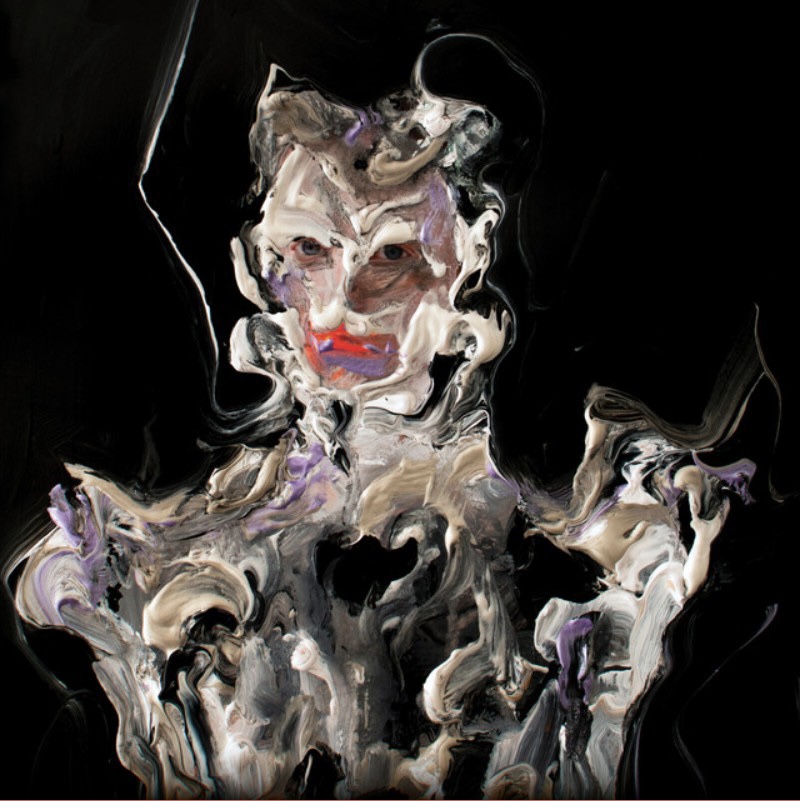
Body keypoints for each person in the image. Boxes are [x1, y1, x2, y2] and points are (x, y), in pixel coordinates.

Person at [12, 37, 755, 799]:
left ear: (470, 258)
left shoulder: (603, 540)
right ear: (260, 265)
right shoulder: (168, 561)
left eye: (393, 257)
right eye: (309, 249)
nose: (342, 304)